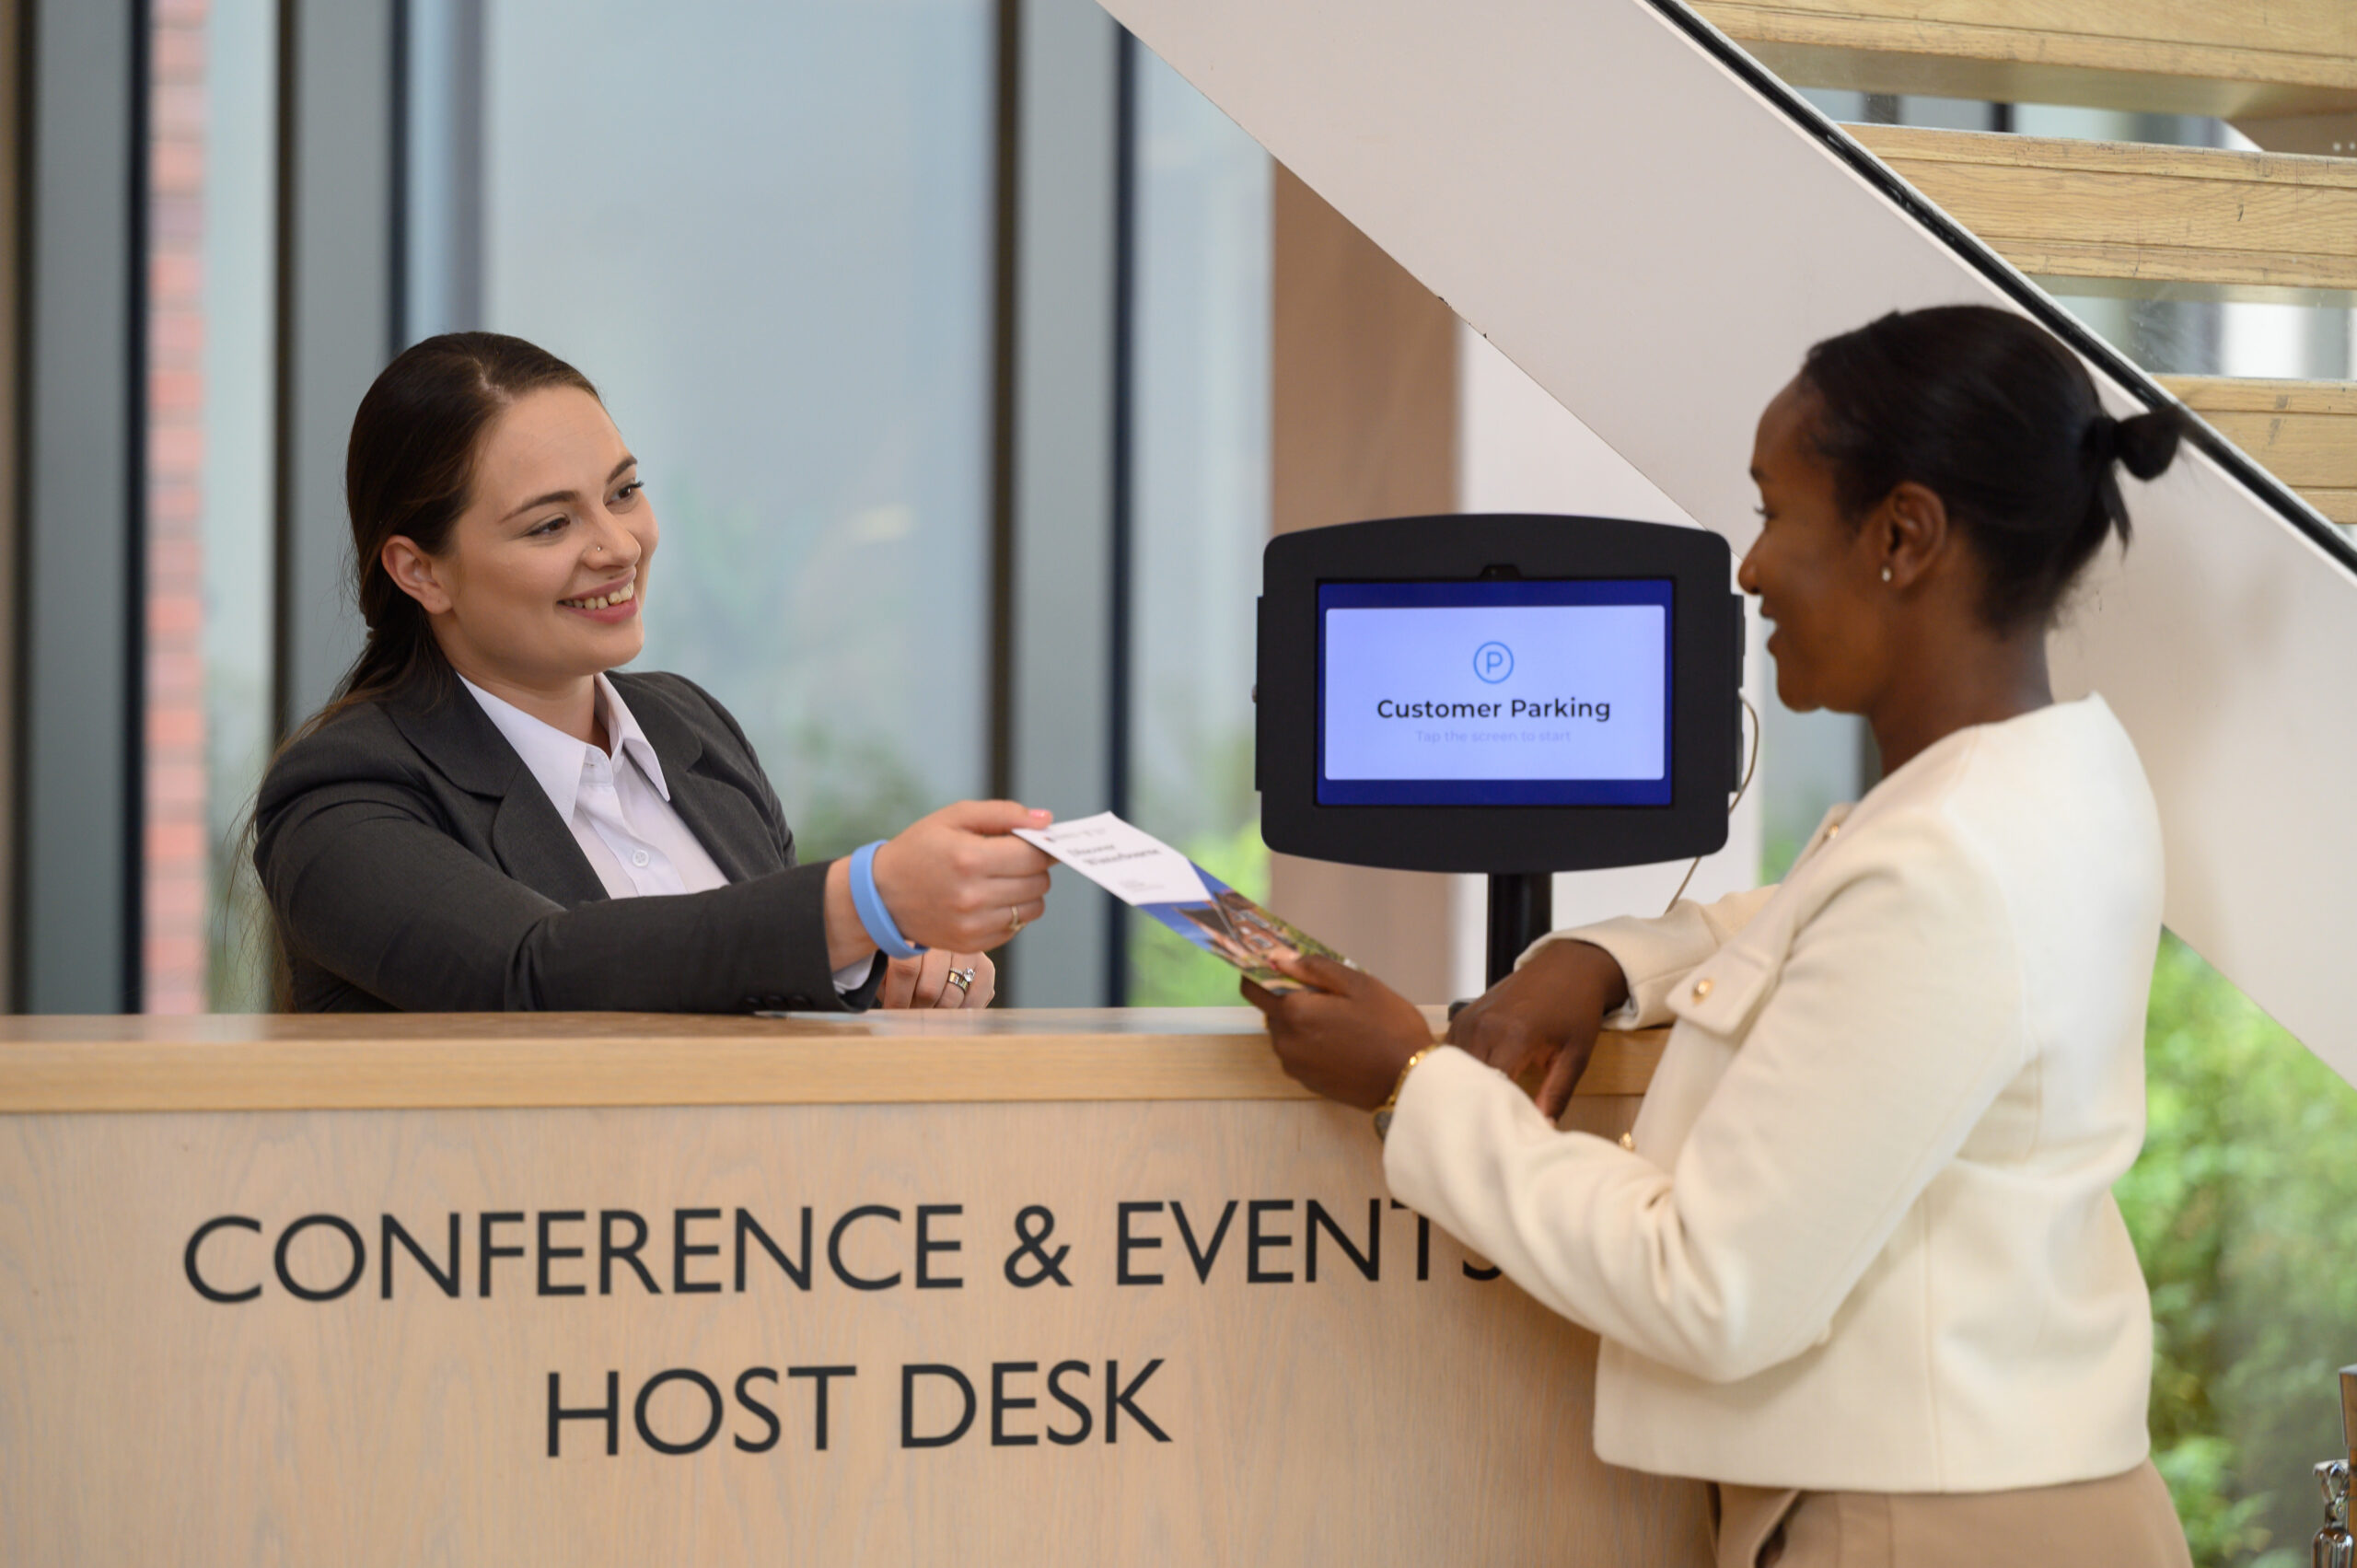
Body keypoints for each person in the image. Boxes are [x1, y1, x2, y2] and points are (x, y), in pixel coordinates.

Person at [1248, 305, 2196, 1566]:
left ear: (1902, 536)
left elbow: (1711, 1285)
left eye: (1773, 512)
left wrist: (1410, 1084)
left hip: (1927, 1531)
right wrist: (1599, 959)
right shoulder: (2060, 779)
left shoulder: (1946, 863)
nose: (1748, 570)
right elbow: (1819, 923)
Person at [256, 331, 1053, 1014]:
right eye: (551, 524)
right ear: (420, 572)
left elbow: (728, 973)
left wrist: (891, 973)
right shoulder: (342, 792)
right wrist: (861, 903)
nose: (618, 546)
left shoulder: (688, 729)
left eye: (624, 491)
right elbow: (533, 972)